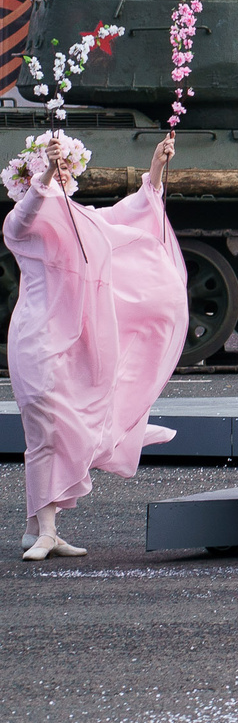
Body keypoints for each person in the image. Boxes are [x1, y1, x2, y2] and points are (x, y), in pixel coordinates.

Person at [5, 129, 187, 561]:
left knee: (60, 428)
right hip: (39, 339)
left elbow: (128, 215)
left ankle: (37, 529)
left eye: (67, 168)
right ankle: (46, 530)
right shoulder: (21, 223)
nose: (64, 174)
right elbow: (26, 215)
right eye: (56, 167)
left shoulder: (83, 220)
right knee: (47, 428)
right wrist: (45, 174)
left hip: (78, 341)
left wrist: (155, 170)